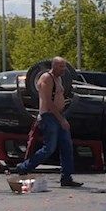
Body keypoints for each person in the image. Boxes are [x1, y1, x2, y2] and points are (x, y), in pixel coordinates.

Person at [13, 57, 83, 188]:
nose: (64, 69)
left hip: (59, 115)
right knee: (49, 148)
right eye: (61, 66)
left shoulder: (59, 79)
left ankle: (66, 178)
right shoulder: (47, 78)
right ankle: (23, 167)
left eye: (64, 66)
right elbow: (48, 102)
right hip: (49, 116)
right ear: (54, 66)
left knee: (67, 146)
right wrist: (61, 119)